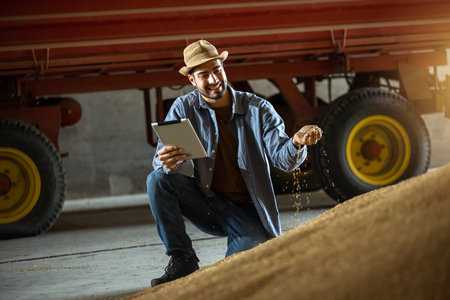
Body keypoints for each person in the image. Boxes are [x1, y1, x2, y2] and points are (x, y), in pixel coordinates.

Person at [147, 40, 322, 287]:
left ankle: (240, 250)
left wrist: (296, 142)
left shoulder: (258, 108)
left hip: (248, 210)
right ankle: (182, 259)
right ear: (192, 81)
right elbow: (161, 163)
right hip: (208, 202)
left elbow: (283, 160)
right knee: (157, 180)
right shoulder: (183, 108)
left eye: (217, 70)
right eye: (203, 75)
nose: (213, 79)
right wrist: (166, 161)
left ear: (224, 67)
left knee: (235, 276)